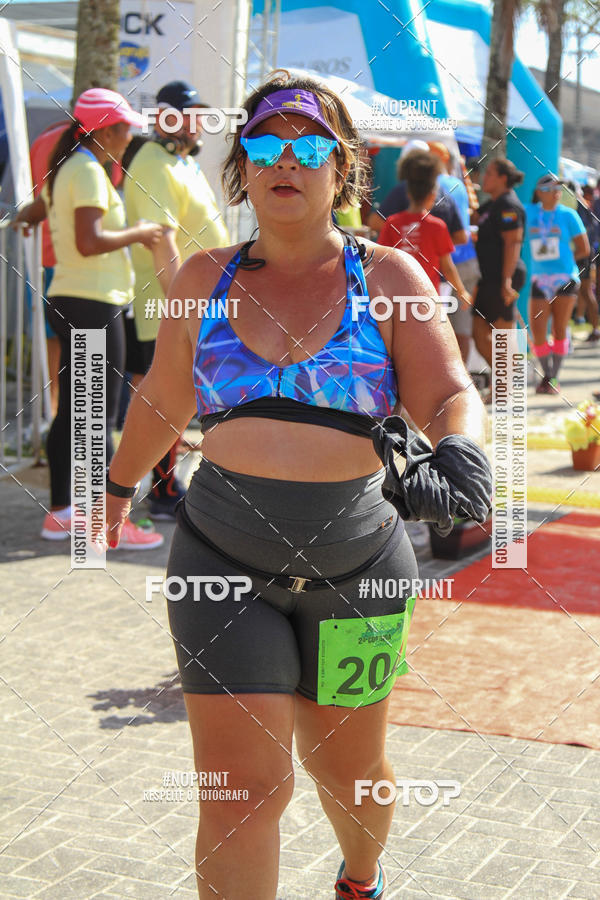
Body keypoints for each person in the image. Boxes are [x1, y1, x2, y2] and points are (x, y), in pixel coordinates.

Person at [104, 71, 488, 899]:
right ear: (241, 163)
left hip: (362, 574)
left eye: (309, 146)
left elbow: (449, 392)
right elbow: (164, 397)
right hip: (221, 567)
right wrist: (112, 490)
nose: (287, 160)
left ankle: (361, 876)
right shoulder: (200, 280)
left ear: (341, 168)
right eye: (265, 143)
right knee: (241, 791)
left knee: (348, 773)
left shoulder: (389, 279)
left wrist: (462, 449)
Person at [14, 88, 164, 546]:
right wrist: (140, 232)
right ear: (107, 132)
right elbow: (88, 241)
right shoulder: (86, 171)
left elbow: (43, 207)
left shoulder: (69, 166)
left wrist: (26, 216)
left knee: (76, 412)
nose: (130, 138)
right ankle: (106, 519)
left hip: (73, 298)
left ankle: (62, 513)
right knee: (99, 415)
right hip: (93, 303)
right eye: (126, 129)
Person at [123, 80, 230, 519]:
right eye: (187, 114)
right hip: (166, 306)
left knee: (182, 400)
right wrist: (181, 310)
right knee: (165, 399)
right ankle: (164, 492)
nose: (196, 121)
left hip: (198, 303)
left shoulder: (182, 162)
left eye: (199, 113)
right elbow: (161, 241)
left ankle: (170, 487)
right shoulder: (153, 163)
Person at [377, 150, 471, 307]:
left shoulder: (392, 223)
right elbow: (447, 267)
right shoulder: (437, 227)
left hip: (397, 299)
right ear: (432, 196)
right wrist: (462, 291)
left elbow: (381, 261)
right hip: (428, 299)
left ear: (408, 193)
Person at [525, 174, 590, 393]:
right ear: (540, 192)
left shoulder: (568, 214)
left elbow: (584, 248)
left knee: (559, 328)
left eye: (559, 188)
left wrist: (565, 258)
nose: (556, 192)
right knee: (538, 331)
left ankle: (552, 379)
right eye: (551, 188)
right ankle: (547, 373)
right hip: (539, 278)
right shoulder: (529, 212)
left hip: (565, 277)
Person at [471, 157, 526, 369]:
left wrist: (507, 280)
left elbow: (513, 242)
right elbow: (472, 218)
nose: (484, 177)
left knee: (502, 337)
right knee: (479, 333)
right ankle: (504, 378)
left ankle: (508, 382)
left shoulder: (508, 205)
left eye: (489, 174)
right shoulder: (492, 204)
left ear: (503, 178)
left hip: (502, 277)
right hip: (487, 278)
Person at [430, 143, 480, 362]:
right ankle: (462, 379)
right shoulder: (459, 184)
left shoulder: (433, 185)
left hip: (446, 265)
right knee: (462, 330)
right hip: (468, 261)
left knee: (439, 331)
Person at [366, 142, 467, 248]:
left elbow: (374, 222)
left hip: (403, 255)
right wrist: (432, 243)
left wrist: (408, 239)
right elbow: (461, 237)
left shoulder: (402, 190)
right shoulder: (444, 195)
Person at [574, 184, 599, 341]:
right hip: (584, 253)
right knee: (584, 291)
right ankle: (593, 329)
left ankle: (595, 329)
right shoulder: (584, 206)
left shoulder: (581, 206)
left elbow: (589, 231)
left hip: (582, 253)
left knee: (585, 291)